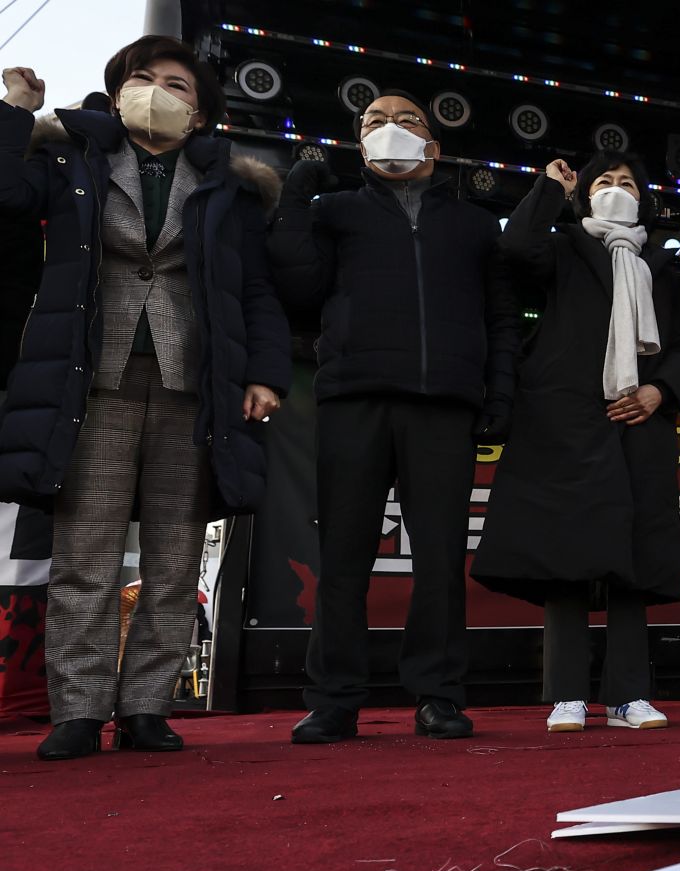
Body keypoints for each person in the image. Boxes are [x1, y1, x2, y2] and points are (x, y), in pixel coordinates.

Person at [0, 41, 289, 761]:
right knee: (85, 555)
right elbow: (5, 193)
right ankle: (77, 710)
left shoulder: (230, 185)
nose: (156, 91)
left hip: (193, 385)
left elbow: (254, 290)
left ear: (200, 112)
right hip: (90, 379)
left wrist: (266, 375)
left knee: (174, 556)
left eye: (175, 84)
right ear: (117, 93)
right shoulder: (71, 158)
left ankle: (146, 709)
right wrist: (16, 113)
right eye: (142, 79)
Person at [269, 89, 520, 742]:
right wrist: (297, 195)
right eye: (374, 122)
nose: (390, 129)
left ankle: (438, 694)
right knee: (343, 555)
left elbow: (500, 317)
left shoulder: (472, 225)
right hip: (354, 394)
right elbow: (297, 286)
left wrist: (499, 396)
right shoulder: (336, 212)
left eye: (406, 120)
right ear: (360, 146)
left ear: (433, 146)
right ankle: (335, 699)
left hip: (444, 405)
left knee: (439, 558)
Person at [473, 152, 680, 729]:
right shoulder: (566, 245)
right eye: (606, 182)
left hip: (637, 420)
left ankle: (628, 694)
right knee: (564, 554)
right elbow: (516, 248)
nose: (618, 189)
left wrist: (660, 392)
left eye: (629, 183)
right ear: (585, 195)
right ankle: (567, 692)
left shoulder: (661, 262)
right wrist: (550, 186)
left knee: (633, 558)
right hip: (566, 417)